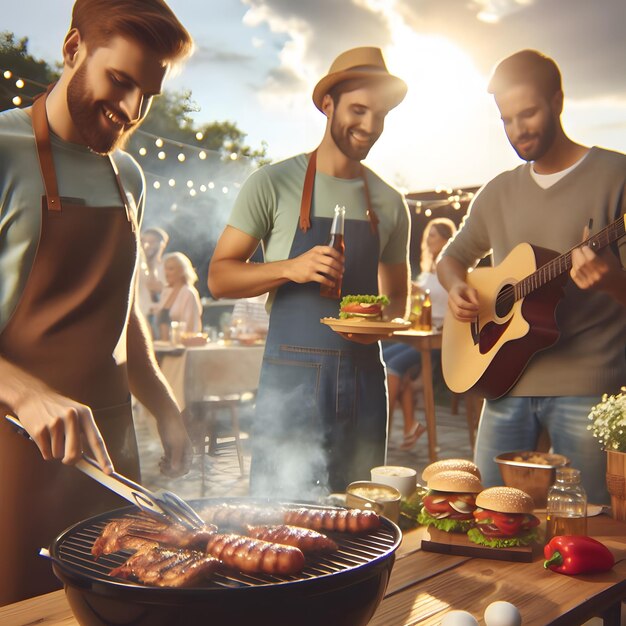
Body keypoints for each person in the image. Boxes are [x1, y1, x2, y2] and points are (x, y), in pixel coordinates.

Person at [0, 0, 194, 604]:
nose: (133, 109)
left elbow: (121, 308)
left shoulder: (128, 174)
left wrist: (164, 407)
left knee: (125, 607)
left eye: (149, 94)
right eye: (121, 80)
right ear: (72, 48)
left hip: (113, 454)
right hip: (15, 453)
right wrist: (30, 394)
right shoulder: (4, 153)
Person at [209, 47, 410, 497]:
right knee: (279, 511)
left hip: (362, 380)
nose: (370, 126)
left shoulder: (390, 202)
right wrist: (291, 268)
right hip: (291, 382)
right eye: (359, 110)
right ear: (327, 105)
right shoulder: (272, 183)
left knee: (359, 512)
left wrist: (378, 326)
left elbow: (398, 299)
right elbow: (219, 278)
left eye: (380, 115)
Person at [437, 49, 626, 502]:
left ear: (558, 101)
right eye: (506, 120)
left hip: (590, 388)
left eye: (529, 113)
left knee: (591, 528)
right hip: (503, 382)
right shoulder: (498, 192)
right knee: (490, 516)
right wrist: (457, 286)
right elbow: (451, 258)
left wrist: (609, 281)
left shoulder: (616, 176)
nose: (518, 129)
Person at [383, 217, 456, 450]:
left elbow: (435, 298)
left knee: (393, 367)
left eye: (433, 235)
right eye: (428, 235)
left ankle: (382, 427)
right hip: (419, 333)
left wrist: (414, 289)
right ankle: (410, 425)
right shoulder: (427, 272)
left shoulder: (451, 271)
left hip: (439, 339)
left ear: (447, 239)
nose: (428, 240)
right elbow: (417, 302)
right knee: (383, 356)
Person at [154, 251, 203, 339]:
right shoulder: (166, 292)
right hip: (161, 346)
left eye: (171, 269)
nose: (166, 273)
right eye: (165, 269)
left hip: (179, 347)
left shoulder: (188, 293)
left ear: (182, 271)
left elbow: (191, 325)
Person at [138, 226, 169, 336]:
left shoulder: (167, 267)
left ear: (162, 244)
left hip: (162, 321)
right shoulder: (137, 267)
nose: (147, 245)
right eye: (144, 241)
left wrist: (162, 289)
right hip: (141, 318)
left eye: (152, 242)